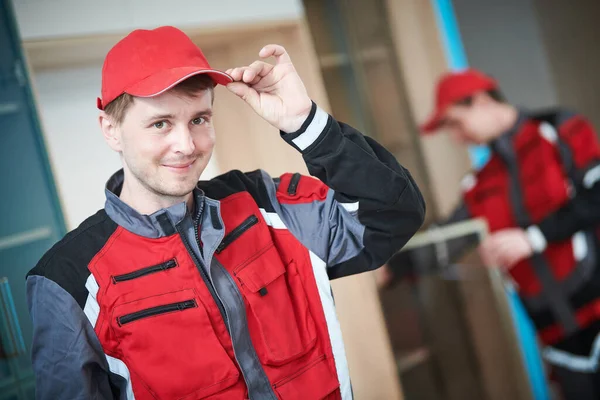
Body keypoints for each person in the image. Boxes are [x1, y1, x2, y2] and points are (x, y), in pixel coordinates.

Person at [25, 26, 425, 399]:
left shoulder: (265, 204)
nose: (186, 144)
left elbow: (392, 215)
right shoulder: (68, 279)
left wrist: (305, 124)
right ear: (110, 129)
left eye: (199, 119)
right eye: (161, 124)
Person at [383, 68, 600, 399]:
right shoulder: (480, 184)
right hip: (560, 345)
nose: (456, 138)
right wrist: (388, 266)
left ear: (482, 101)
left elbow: (595, 198)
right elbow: (447, 240)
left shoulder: (558, 129)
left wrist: (532, 238)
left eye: (455, 123)